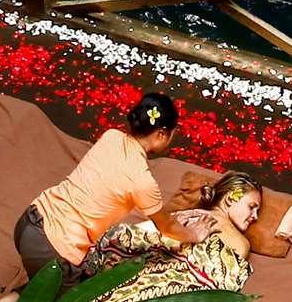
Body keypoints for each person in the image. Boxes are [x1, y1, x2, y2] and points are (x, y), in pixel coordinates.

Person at [18, 92, 180, 279]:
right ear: (161, 134)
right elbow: (168, 227)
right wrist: (196, 234)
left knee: (39, 287)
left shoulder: (111, 136)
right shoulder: (142, 181)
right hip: (53, 250)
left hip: (29, 221)